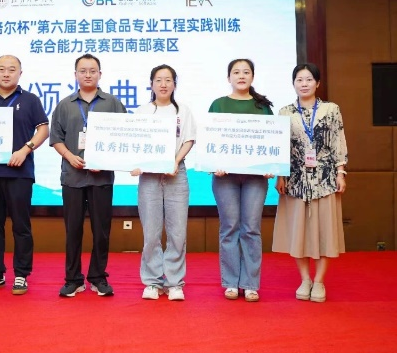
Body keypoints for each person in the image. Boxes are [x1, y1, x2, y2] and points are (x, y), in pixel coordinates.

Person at [50, 53, 127, 297]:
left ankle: (98, 277)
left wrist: (104, 161)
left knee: (101, 230)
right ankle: (73, 279)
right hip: (72, 177)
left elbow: (123, 138)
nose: (88, 75)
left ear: (100, 74)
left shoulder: (113, 103)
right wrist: (69, 156)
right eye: (83, 71)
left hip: (101, 178)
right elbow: (56, 138)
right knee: (73, 230)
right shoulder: (64, 105)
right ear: (75, 75)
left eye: (92, 71)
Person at [272, 63, 347, 303]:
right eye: (299, 80)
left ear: (318, 83)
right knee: (299, 231)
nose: (304, 84)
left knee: (325, 230)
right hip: (295, 180)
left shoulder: (331, 109)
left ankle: (320, 281)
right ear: (293, 83)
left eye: (308, 79)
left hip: (325, 179)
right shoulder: (285, 112)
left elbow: (338, 141)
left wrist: (341, 172)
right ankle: (305, 279)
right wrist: (280, 175)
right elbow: (280, 147)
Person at [0, 55, 49, 295]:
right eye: (1, 69)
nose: (6, 74)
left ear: (20, 73)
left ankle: (21, 275)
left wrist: (25, 149)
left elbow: (43, 129)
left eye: (11, 69)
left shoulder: (30, 99)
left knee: (21, 225)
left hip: (19, 172)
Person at [209, 58, 274, 302]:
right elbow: (210, 139)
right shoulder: (218, 104)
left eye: (246, 72)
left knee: (251, 228)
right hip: (224, 177)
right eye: (236, 72)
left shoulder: (262, 107)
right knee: (229, 227)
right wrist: (214, 164)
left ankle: (250, 283)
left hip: (256, 177)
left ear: (252, 77)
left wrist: (271, 165)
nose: (241, 76)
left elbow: (272, 140)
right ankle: (230, 282)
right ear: (229, 78)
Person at [131, 64, 196, 301]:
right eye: (158, 80)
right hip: (149, 176)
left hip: (176, 174)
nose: (163, 84)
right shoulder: (142, 112)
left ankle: (175, 282)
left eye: (168, 80)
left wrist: (175, 161)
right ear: (151, 84)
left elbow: (189, 140)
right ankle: (152, 281)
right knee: (151, 233)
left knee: (177, 233)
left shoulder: (183, 111)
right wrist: (135, 163)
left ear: (175, 84)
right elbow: (134, 144)